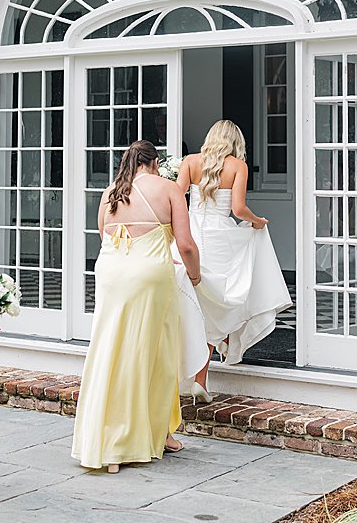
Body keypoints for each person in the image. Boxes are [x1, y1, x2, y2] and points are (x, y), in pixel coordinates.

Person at [71, 140, 201, 473]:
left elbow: (105, 238)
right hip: (148, 278)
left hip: (111, 274)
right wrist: (196, 276)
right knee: (151, 353)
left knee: (109, 350)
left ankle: (104, 441)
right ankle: (139, 438)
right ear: (155, 163)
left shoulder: (111, 191)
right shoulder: (169, 189)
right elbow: (185, 244)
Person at [176, 120, 292, 395]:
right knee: (223, 299)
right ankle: (203, 375)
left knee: (197, 304)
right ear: (234, 142)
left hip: (192, 233)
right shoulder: (237, 166)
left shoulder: (191, 162)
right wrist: (258, 221)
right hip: (220, 240)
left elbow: (176, 196)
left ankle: (204, 369)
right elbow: (239, 209)